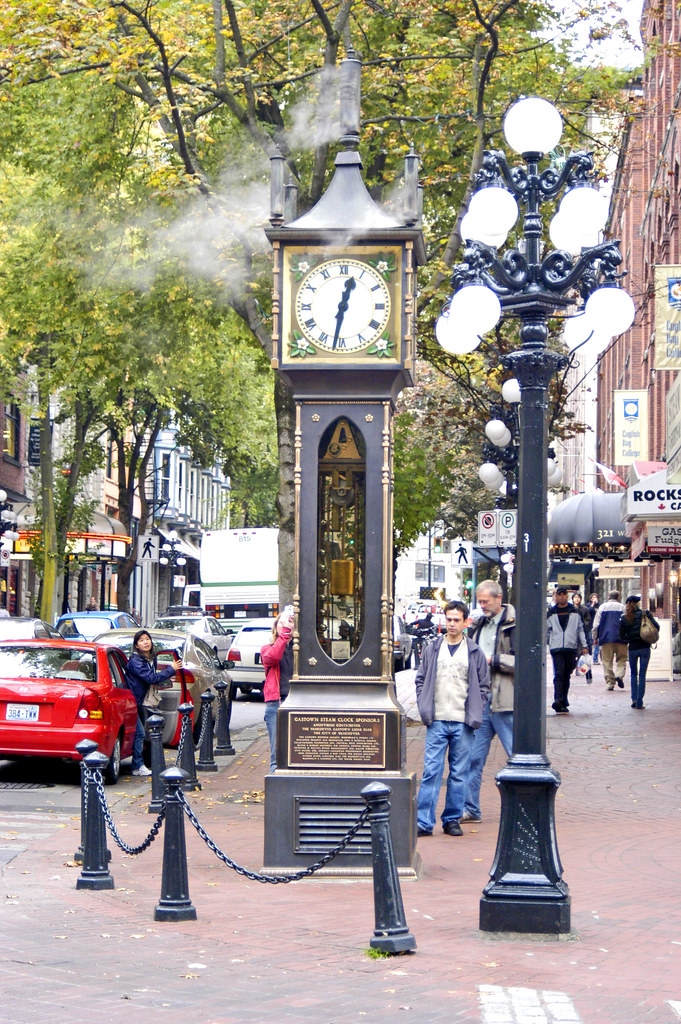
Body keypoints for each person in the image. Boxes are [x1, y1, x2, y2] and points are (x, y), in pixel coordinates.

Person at [414, 599, 490, 837]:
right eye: (449, 619)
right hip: (437, 720)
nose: (452, 624)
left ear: (466, 622)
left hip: (463, 722)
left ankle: (451, 819)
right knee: (431, 772)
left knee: (459, 773)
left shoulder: (475, 651)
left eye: (457, 620)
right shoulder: (433, 648)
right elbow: (420, 678)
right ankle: (424, 821)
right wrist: (425, 707)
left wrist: (476, 711)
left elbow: (484, 686)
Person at [462, 581, 514, 824]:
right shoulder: (479, 625)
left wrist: (492, 659)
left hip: (506, 701)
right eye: (479, 601)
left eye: (486, 601)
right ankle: (470, 808)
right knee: (473, 757)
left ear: (499, 598)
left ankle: (523, 805)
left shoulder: (515, 624)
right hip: (481, 700)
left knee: (517, 756)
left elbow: (527, 660)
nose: (481, 606)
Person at [124, 629, 182, 777]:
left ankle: (139, 764)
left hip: (140, 701)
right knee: (140, 733)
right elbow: (151, 678)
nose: (145, 642)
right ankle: (137, 766)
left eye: (147, 639)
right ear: (136, 645)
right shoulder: (136, 662)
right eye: (141, 640)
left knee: (140, 733)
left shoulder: (150, 658)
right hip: (132, 701)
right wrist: (171, 669)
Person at [261, 608, 294, 773]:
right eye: (282, 623)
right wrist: (284, 635)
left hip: (296, 702)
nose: (286, 626)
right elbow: (273, 657)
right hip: (276, 702)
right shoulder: (267, 648)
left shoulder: (298, 650)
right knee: (276, 751)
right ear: (276, 627)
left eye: (290, 622)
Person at [547, 586, 588, 713]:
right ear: (556, 596)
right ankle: (558, 700)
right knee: (559, 673)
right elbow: (547, 630)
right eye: (559, 594)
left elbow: (580, 629)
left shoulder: (575, 612)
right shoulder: (551, 613)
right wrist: (549, 642)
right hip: (557, 647)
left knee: (567, 674)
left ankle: (563, 700)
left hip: (571, 647)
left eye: (563, 594)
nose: (561, 597)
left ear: (567, 596)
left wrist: (584, 646)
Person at [619, 595, 659, 709]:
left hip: (632, 648)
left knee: (633, 674)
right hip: (645, 647)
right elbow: (656, 627)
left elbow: (621, 636)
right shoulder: (645, 614)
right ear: (637, 603)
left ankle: (634, 699)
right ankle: (640, 701)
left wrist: (629, 638)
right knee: (642, 675)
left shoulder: (624, 617)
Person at [592, 590, 627, 691]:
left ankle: (610, 682)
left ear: (608, 597)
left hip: (606, 638)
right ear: (618, 597)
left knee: (607, 661)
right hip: (621, 638)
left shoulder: (602, 607)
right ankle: (619, 675)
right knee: (622, 659)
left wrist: (595, 637)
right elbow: (627, 623)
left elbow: (596, 625)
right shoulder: (623, 607)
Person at [571, 592, 593, 683]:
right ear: (572, 599)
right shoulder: (570, 609)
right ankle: (575, 669)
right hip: (573, 636)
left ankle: (587, 675)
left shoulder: (584, 609)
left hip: (583, 634)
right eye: (575, 597)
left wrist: (584, 626)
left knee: (584, 656)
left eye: (578, 598)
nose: (577, 599)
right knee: (573, 656)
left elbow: (588, 620)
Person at [588, 593, 600, 663]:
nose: (595, 599)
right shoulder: (588, 605)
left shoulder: (599, 606)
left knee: (596, 644)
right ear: (591, 599)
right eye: (593, 597)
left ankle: (595, 659)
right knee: (590, 643)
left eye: (596, 597)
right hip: (590, 627)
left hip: (598, 627)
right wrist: (593, 604)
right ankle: (589, 657)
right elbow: (589, 611)